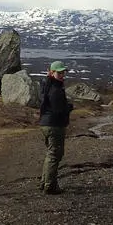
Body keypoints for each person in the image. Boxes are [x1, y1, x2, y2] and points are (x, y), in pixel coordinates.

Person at [38, 61, 74, 194]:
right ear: (52, 72)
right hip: (54, 125)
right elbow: (58, 109)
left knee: (51, 153)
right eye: (59, 72)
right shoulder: (56, 89)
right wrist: (69, 107)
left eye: (63, 72)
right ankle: (50, 185)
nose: (62, 75)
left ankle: (44, 182)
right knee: (55, 155)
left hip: (46, 123)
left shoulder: (47, 85)